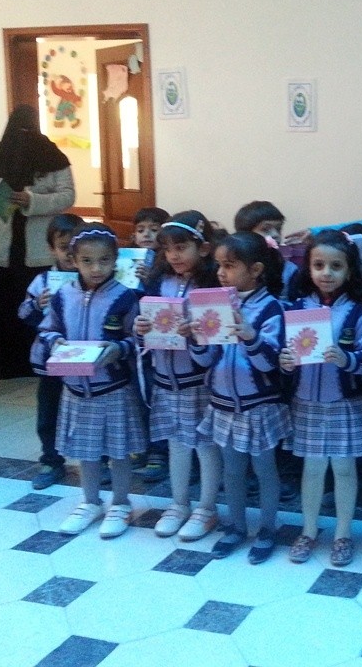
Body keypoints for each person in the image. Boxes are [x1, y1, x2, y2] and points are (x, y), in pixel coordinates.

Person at [31, 223, 145, 538]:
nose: (96, 269)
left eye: (104, 261)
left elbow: (137, 339)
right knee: (87, 451)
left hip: (113, 389)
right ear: (74, 260)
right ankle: (90, 502)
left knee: (119, 452)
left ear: (115, 260)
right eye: (87, 261)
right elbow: (48, 329)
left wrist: (118, 349)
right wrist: (55, 342)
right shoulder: (62, 295)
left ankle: (120, 503)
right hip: (76, 390)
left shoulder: (125, 297)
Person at [189, 232, 290, 563]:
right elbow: (205, 360)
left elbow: (269, 363)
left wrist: (250, 336)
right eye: (219, 265)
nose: (221, 273)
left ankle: (268, 528)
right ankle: (235, 527)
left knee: (264, 470)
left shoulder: (271, 307)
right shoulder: (214, 304)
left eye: (229, 266)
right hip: (222, 405)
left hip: (259, 407)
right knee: (231, 471)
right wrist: (196, 339)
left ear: (256, 269)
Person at [280, 230, 362, 567]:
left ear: (349, 271)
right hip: (306, 401)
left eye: (336, 266)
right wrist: (285, 361)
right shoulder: (297, 308)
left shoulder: (359, 311)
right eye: (319, 265)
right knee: (312, 469)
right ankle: (308, 530)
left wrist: (346, 359)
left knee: (345, 469)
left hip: (344, 403)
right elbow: (285, 352)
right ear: (308, 268)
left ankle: (343, 534)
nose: (326, 273)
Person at [134, 211, 223, 543]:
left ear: (203, 248)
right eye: (168, 248)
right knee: (176, 444)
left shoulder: (211, 286)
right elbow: (142, 329)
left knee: (205, 446)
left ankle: (207, 507)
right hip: (165, 381)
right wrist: (140, 328)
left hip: (199, 383)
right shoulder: (158, 282)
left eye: (181, 247)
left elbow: (216, 344)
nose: (173, 255)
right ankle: (179, 503)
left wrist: (196, 336)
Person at [0, 105, 75, 379]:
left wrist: (32, 200)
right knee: (3, 307)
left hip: (38, 248)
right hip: (2, 245)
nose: (23, 134)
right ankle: (3, 365)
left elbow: (67, 195)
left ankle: (36, 362)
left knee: (37, 304)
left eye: (27, 128)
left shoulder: (53, 156)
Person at [18, 212, 84, 488]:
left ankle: (99, 460)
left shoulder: (95, 279)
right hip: (51, 361)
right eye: (63, 247)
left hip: (86, 362)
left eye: (74, 247)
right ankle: (51, 459)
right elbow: (24, 314)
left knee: (90, 411)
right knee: (49, 412)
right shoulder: (43, 281)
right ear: (51, 249)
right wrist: (37, 305)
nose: (69, 253)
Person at [130, 206, 172, 483]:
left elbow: (162, 303)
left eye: (154, 230)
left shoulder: (165, 266)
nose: (147, 234)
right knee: (139, 396)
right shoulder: (125, 260)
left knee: (158, 398)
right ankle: (144, 446)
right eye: (141, 229)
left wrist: (149, 282)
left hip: (161, 345)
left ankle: (160, 452)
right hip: (134, 345)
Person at [234, 200, 300, 301]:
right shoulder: (233, 268)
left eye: (278, 229)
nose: (275, 235)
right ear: (246, 234)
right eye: (265, 229)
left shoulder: (289, 270)